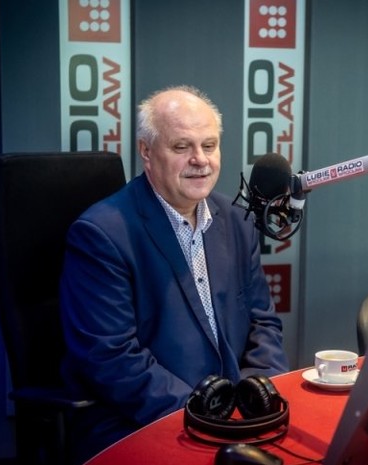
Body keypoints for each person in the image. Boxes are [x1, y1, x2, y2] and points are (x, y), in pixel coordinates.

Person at [59, 85, 289, 464]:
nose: (200, 160)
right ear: (146, 152)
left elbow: (263, 322)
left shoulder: (237, 221)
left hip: (230, 416)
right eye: (182, 147)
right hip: (138, 421)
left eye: (209, 146)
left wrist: (259, 395)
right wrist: (203, 416)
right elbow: (111, 358)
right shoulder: (101, 234)